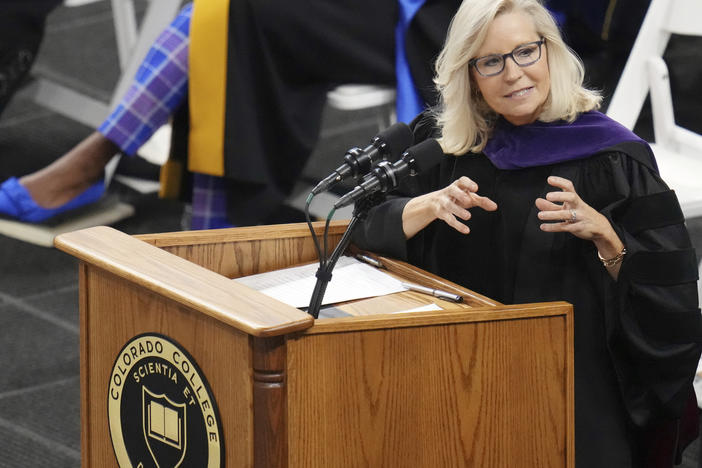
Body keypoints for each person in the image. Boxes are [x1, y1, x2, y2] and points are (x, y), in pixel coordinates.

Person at [352, 0, 702, 466]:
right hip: (460, 379)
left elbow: (671, 302)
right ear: (469, 74)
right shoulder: (448, 149)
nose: (513, 74)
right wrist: (423, 206)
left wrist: (608, 238)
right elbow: (358, 224)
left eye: (525, 52)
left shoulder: (613, 158)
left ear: (550, 53)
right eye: (491, 61)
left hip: (576, 392)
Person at [0, 0, 462, 229]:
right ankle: (209, 232)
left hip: (449, 14)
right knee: (225, 10)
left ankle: (95, 162)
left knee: (231, 11)